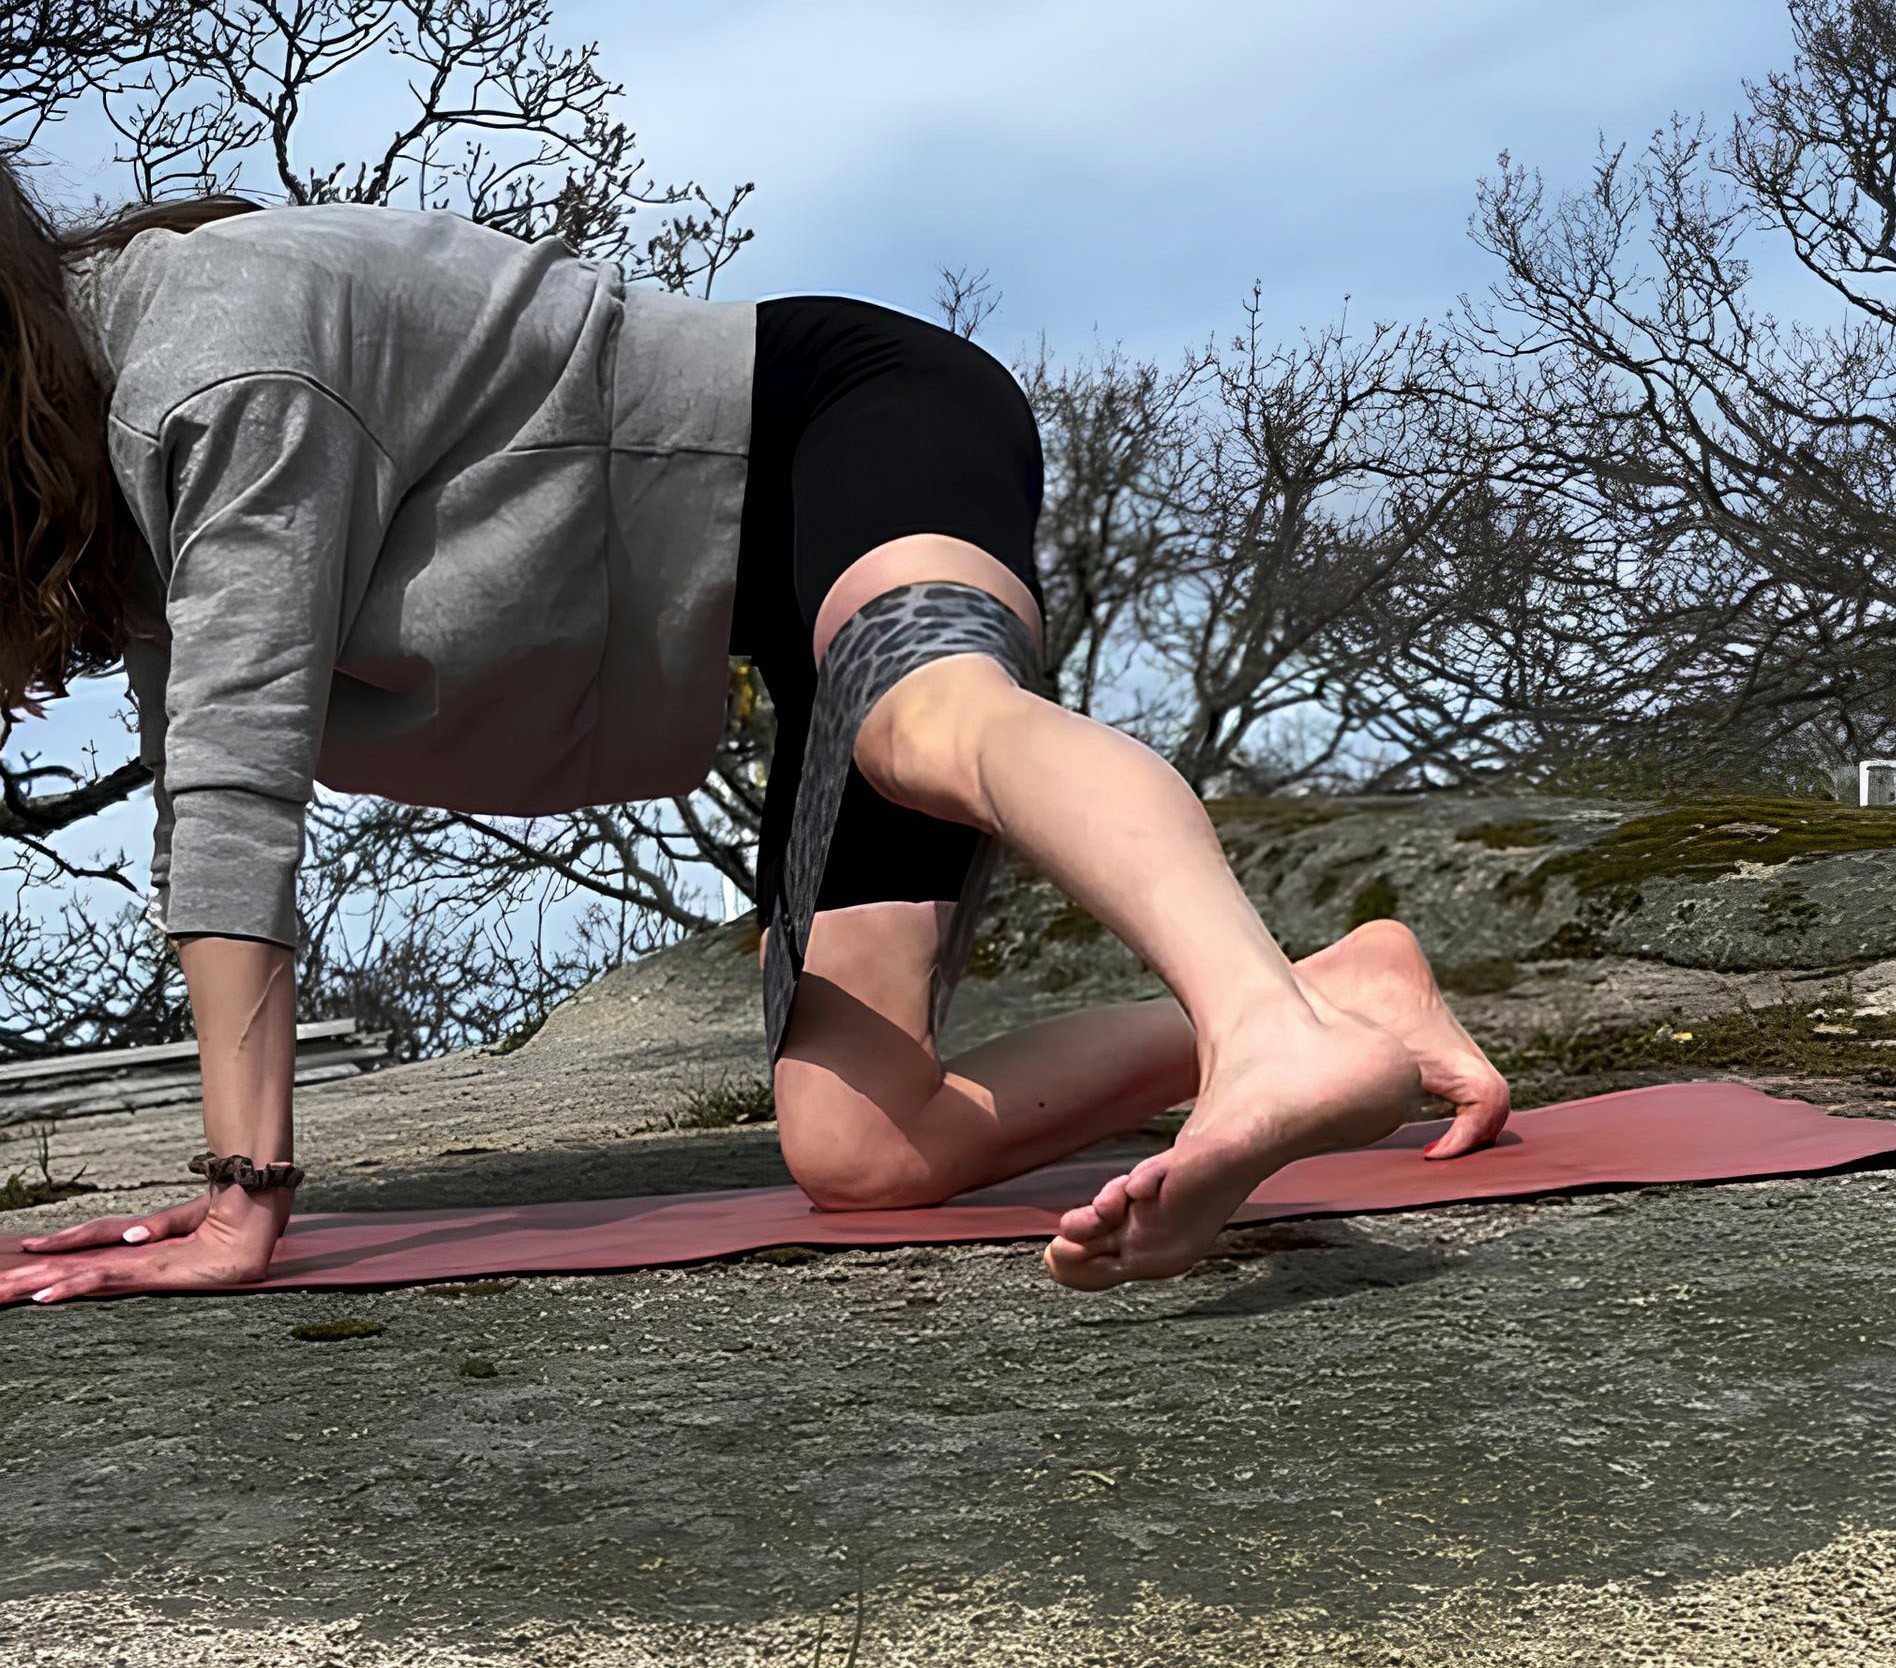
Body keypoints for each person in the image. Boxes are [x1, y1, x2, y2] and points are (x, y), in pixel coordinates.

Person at [0, 162, 1511, 1307]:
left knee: (926, 720)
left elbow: (237, 784)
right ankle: (1339, 1000)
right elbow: (209, 768)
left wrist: (245, 1190)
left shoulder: (221, 365)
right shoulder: (118, 469)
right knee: (866, 1153)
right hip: (754, 600)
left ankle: (1268, 1039)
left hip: (842, 427)